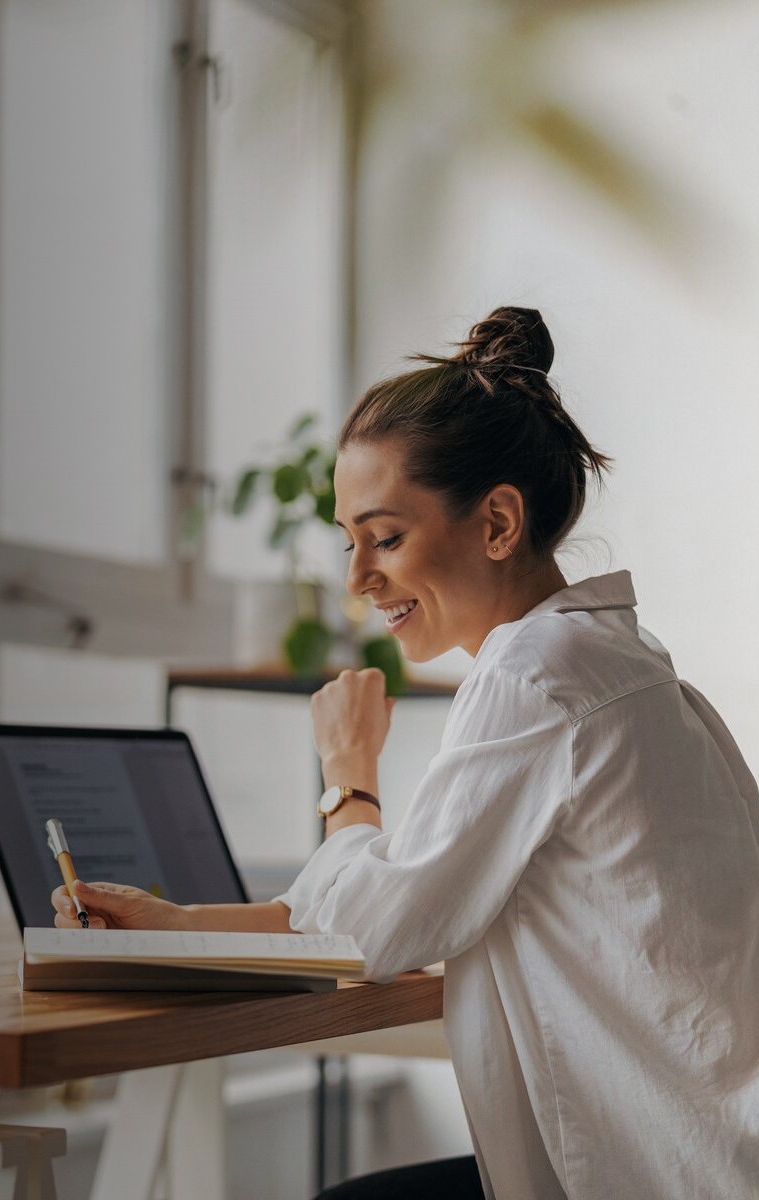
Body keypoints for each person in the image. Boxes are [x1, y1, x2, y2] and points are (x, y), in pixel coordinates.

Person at [52, 307, 759, 1200]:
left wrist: (347, 772)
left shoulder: (534, 677)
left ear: (497, 522)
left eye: (385, 538)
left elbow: (373, 929)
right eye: (349, 542)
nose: (358, 578)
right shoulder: (612, 658)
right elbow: (405, 896)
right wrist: (179, 923)